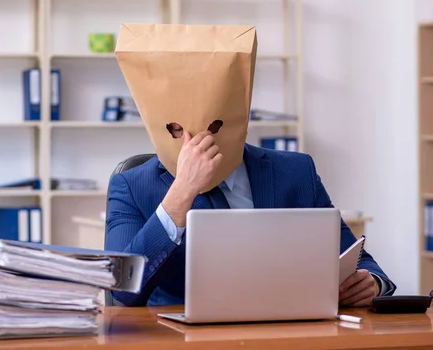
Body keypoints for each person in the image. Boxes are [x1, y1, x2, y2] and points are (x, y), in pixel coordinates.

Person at [106, 23, 396, 307]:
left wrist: (373, 282)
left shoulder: (296, 172)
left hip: (287, 331)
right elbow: (122, 290)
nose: (193, 141)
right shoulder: (131, 186)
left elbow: (355, 257)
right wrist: (182, 190)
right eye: (176, 129)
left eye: (214, 125)